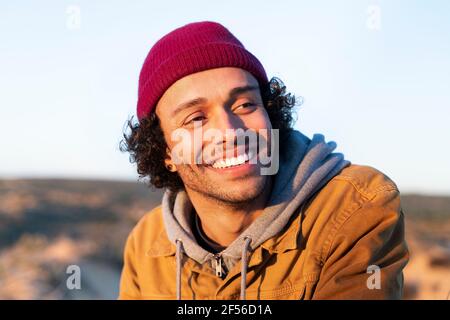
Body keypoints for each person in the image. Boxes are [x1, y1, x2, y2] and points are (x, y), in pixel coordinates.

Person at [118, 21, 409, 300]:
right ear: (164, 152)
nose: (231, 132)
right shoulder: (147, 245)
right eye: (196, 119)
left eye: (245, 104)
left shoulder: (355, 207)